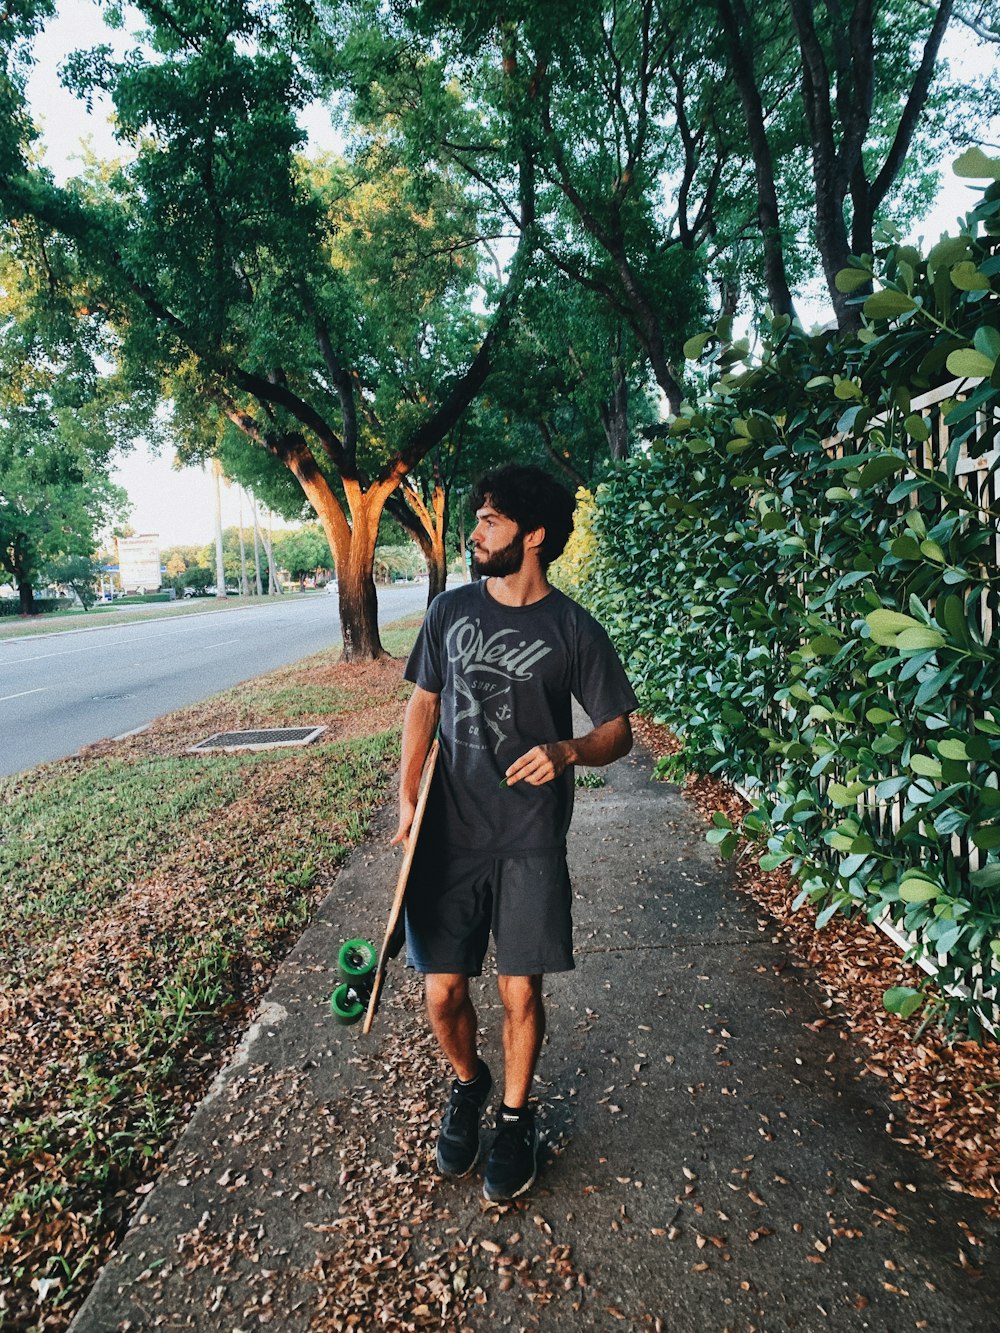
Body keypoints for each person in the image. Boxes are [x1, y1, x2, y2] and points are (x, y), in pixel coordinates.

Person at [393, 464, 637, 1203]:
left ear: (533, 536)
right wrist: (407, 799)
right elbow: (422, 707)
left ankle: (516, 1115)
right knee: (441, 992)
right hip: (448, 831)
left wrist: (569, 750)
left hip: (530, 834)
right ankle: (470, 1084)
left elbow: (619, 732)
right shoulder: (450, 611)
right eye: (479, 519)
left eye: (491, 521)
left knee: (519, 990)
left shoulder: (572, 627)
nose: (475, 532)